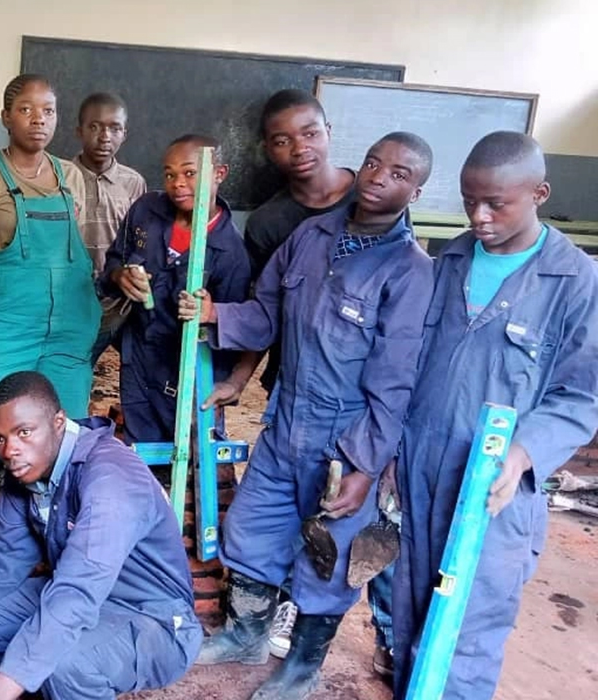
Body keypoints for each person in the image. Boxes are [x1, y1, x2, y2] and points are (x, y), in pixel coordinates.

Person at [187, 133, 435, 699]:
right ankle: (246, 635)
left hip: (346, 437)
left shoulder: (410, 272)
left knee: (334, 557)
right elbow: (267, 311)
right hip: (286, 418)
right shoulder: (311, 236)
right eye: (373, 163)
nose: (378, 177)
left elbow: (396, 384)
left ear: (416, 193)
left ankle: (302, 666)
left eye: (399, 174)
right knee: (252, 530)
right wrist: (215, 313)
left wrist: (365, 466)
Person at [391, 132, 598, 700]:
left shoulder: (575, 281)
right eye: (469, 201)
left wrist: (524, 452)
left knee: (467, 627)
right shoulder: (451, 260)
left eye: (495, 204)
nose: (479, 217)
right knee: (411, 607)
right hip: (420, 463)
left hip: (494, 482)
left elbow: (580, 396)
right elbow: (411, 360)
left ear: (539, 194)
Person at [0, 371, 203, 700]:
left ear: (58, 422)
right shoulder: (28, 470)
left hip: (151, 618)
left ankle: (47, 675)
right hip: (75, 597)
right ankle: (39, 677)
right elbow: (0, 558)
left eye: (24, 432)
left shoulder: (110, 477)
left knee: (66, 665)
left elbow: (77, 590)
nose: (9, 451)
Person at [240, 90, 395, 672]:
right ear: (268, 149)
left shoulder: (391, 231)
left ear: (329, 130)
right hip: (292, 391)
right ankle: (264, 619)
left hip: (353, 411)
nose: (299, 148)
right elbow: (265, 310)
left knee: (355, 533)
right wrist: (235, 366)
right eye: (282, 140)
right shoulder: (287, 229)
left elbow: (397, 366)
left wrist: (374, 451)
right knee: (273, 515)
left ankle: (365, 641)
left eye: (309, 132)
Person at [0, 74, 98, 473]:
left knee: (64, 439)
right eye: (26, 109)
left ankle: (55, 509)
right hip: (2, 332)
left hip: (66, 337)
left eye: (48, 111)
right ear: (5, 118)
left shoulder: (71, 178)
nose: (38, 119)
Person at [101, 134, 250, 443]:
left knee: (188, 449)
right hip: (137, 358)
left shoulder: (231, 253)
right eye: (169, 174)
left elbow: (230, 335)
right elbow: (114, 260)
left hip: (185, 372)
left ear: (219, 174)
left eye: (190, 173)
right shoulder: (146, 210)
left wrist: (209, 315)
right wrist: (119, 276)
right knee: (138, 445)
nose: (177, 183)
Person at [73, 92, 147, 364]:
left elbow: (139, 240)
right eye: (94, 127)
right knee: (72, 363)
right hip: (69, 297)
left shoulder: (133, 183)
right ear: (79, 131)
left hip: (116, 302)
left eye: (114, 128)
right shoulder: (61, 176)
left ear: (124, 134)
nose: (105, 137)